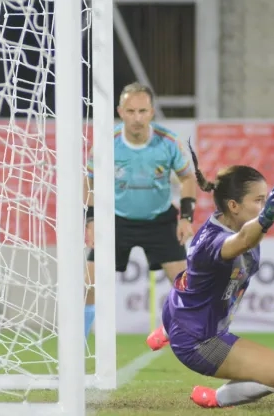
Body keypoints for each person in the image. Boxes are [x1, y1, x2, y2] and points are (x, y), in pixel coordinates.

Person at [144, 142, 274, 408]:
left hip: (181, 309)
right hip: (200, 341)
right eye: (259, 201)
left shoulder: (232, 223)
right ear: (234, 205)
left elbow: (246, 238)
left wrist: (262, 217)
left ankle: (166, 329)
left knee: (199, 292)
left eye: (266, 198)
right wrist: (267, 217)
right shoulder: (215, 242)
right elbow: (244, 241)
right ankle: (215, 398)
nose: (266, 204)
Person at [84, 82, 197, 338]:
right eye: (131, 111)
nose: (137, 118)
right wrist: (91, 218)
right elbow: (89, 179)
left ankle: (193, 341)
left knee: (186, 286)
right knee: (88, 285)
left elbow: (188, 179)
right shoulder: (106, 143)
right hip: (117, 220)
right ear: (120, 111)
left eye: (143, 111)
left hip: (159, 220)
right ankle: (78, 344)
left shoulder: (168, 142)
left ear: (152, 112)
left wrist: (186, 217)